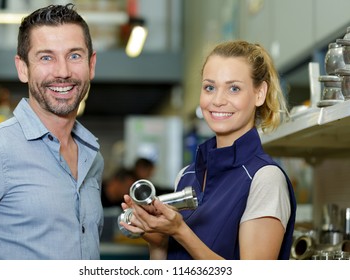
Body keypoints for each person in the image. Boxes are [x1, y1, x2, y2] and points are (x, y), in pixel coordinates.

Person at [120, 40, 297, 260]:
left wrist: (180, 231)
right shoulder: (186, 176)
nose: (218, 100)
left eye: (234, 88)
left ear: (259, 93)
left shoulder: (264, 178)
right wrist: (158, 242)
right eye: (209, 87)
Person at [0, 4, 104, 259]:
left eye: (74, 56)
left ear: (91, 64)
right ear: (23, 68)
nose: (63, 72)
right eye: (46, 57)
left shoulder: (91, 157)